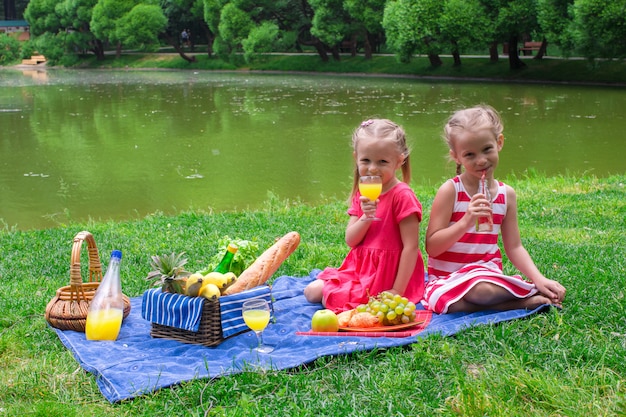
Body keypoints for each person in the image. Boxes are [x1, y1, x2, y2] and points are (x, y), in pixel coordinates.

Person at [422, 105, 566, 314]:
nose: (481, 160)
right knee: (453, 301)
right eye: (469, 154)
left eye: (487, 149)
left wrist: (539, 278)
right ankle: (519, 302)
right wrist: (467, 221)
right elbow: (432, 248)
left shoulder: (506, 195)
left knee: (484, 289)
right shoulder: (451, 190)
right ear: (456, 156)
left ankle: (531, 290)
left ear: (499, 143)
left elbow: (514, 247)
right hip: (448, 279)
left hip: (486, 275)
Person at [304, 118, 425, 312]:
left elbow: (411, 247)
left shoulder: (402, 196)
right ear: (356, 158)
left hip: (389, 274)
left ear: (399, 160)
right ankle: (350, 293)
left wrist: (397, 290)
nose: (373, 168)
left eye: (382, 161)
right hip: (360, 270)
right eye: (366, 160)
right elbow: (351, 240)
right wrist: (366, 218)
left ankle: (356, 297)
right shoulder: (364, 192)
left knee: (331, 301)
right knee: (311, 292)